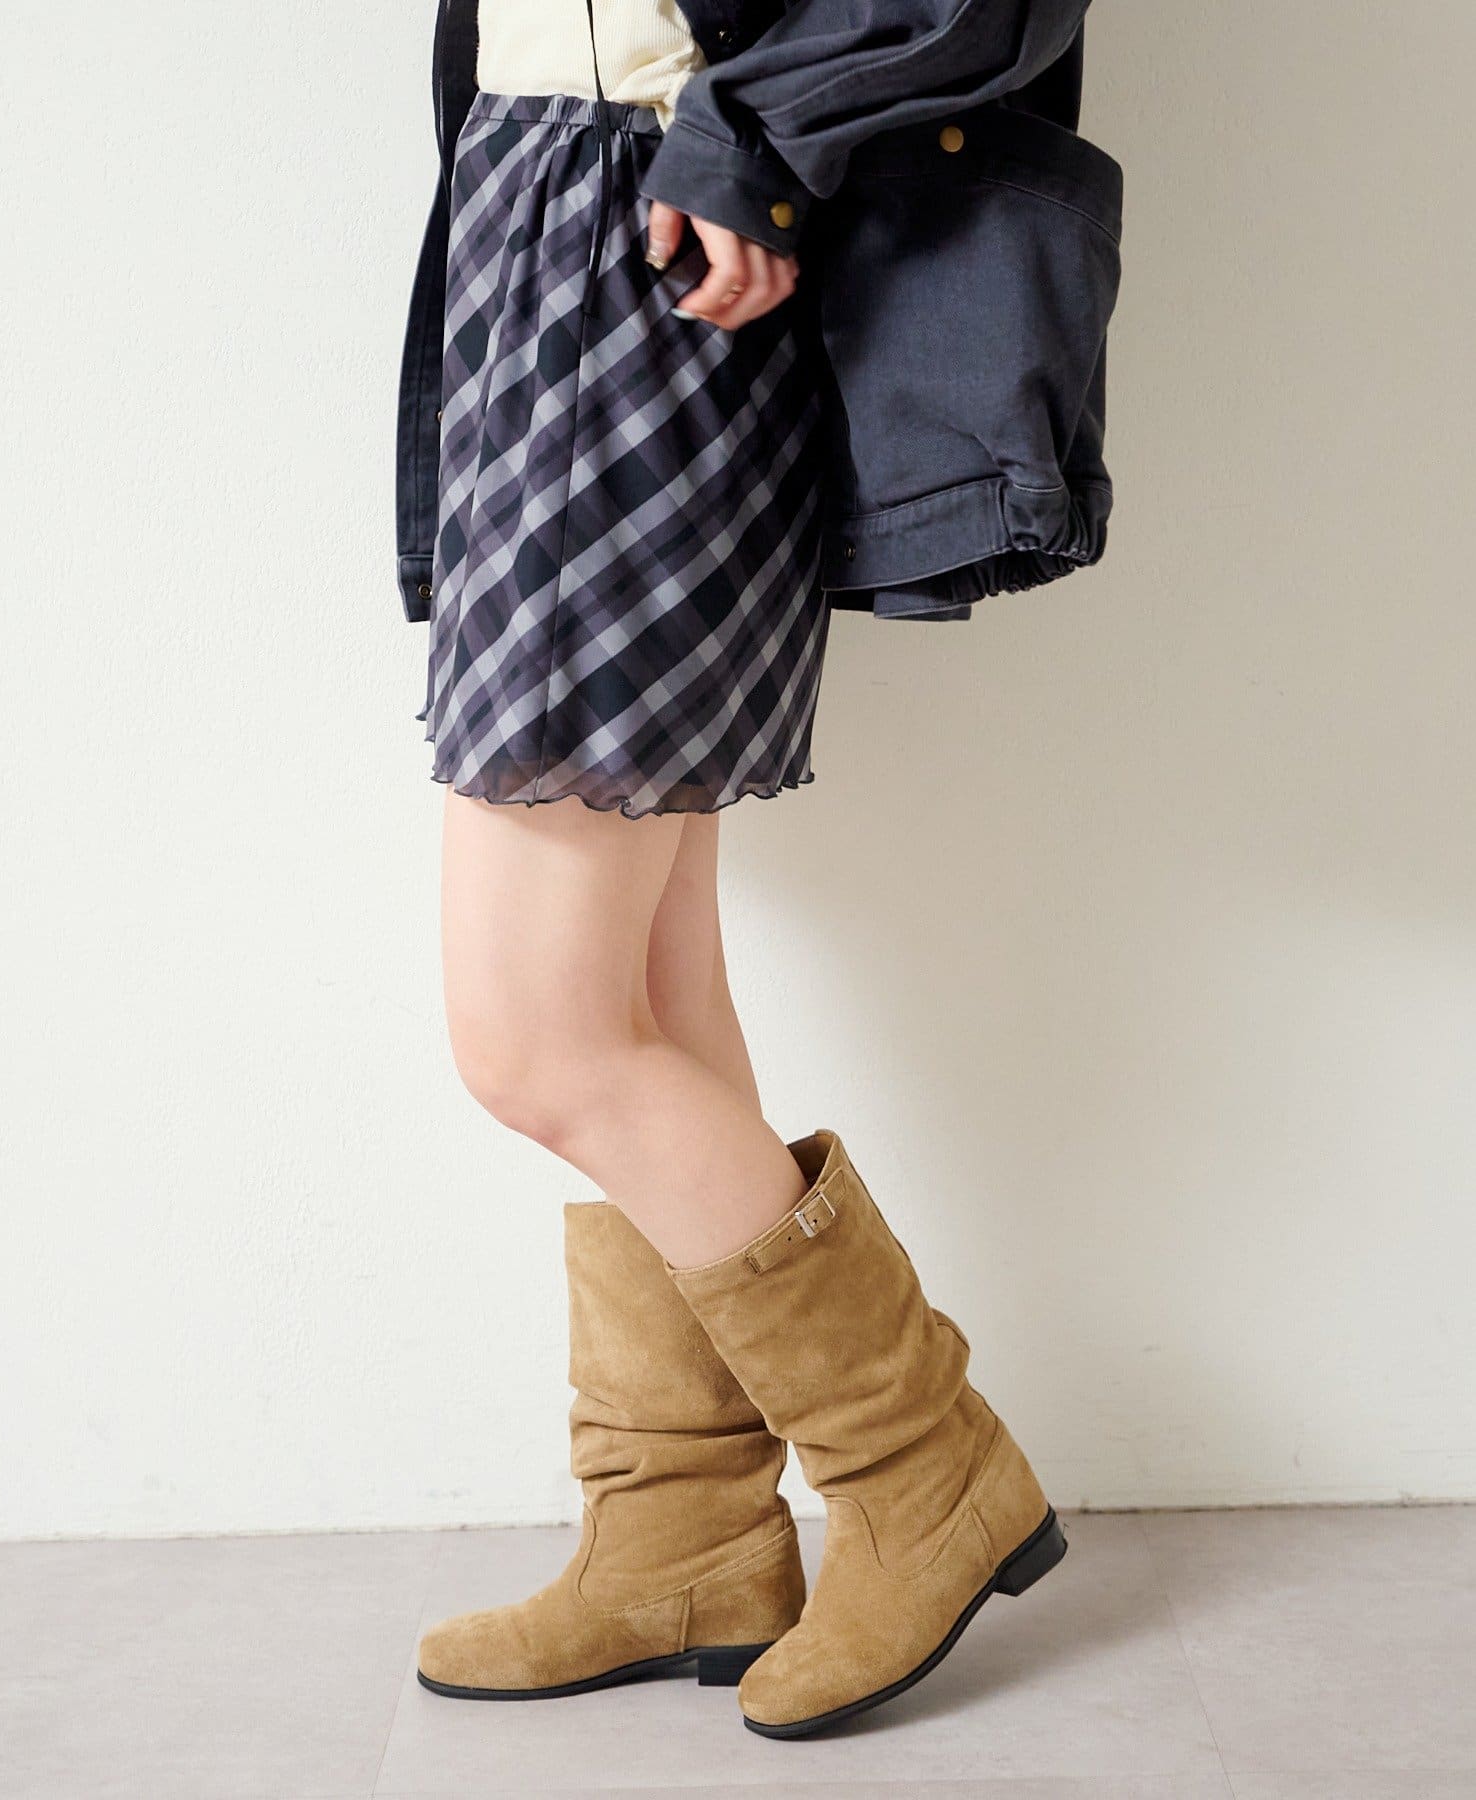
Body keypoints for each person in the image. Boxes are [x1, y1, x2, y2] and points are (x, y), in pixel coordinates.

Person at [400, 0, 1113, 1740]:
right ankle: (685, 1535)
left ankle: (926, 1470)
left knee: (541, 1039)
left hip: (664, 239)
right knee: (646, 996)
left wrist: (752, 139)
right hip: (533, 209)